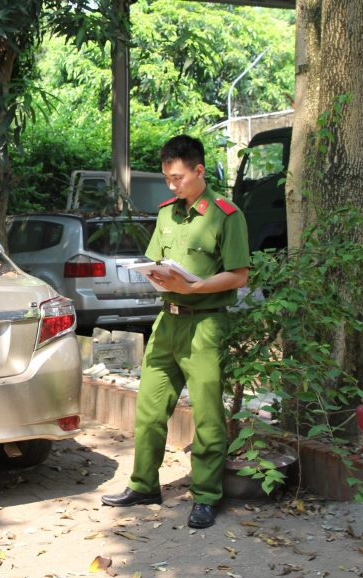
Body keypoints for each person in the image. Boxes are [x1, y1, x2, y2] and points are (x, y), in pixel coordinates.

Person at [101, 135, 250, 529]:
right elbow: (156, 261)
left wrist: (195, 287)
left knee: (206, 415)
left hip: (205, 324)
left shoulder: (226, 214)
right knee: (149, 410)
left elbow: (239, 274)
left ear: (199, 171)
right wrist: (153, 273)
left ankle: (206, 496)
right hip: (166, 322)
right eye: (167, 178)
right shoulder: (168, 212)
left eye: (178, 178)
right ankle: (144, 485)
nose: (171, 186)